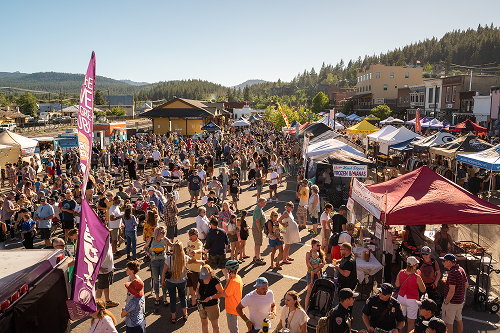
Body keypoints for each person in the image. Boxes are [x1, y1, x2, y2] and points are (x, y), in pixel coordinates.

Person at [395, 256, 426, 333]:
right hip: (412, 299)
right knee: (411, 322)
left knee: (400, 320)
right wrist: (420, 277)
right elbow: (423, 289)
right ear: (414, 266)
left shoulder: (401, 272)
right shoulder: (417, 277)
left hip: (401, 297)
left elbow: (397, 285)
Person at [162, 242, 191, 323]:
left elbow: (164, 272)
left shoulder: (169, 259)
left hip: (170, 281)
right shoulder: (185, 258)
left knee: (172, 299)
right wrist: (201, 261)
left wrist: (163, 281)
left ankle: (173, 317)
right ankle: (185, 314)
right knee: (182, 297)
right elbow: (193, 260)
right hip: (181, 281)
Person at [441, 254, 468, 333]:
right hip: (460, 301)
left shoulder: (452, 273)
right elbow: (466, 285)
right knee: (459, 320)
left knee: (448, 323)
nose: (442, 263)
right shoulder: (461, 269)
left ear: (449, 262)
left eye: (444, 261)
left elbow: (451, 291)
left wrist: (446, 302)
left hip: (451, 303)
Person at [196, 265, 224, 333]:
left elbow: (221, 293)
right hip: (201, 305)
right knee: (204, 323)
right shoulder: (200, 279)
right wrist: (197, 293)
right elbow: (197, 288)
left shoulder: (215, 280)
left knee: (214, 326)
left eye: (206, 276)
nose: (204, 279)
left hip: (212, 306)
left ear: (210, 273)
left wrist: (210, 298)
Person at [96, 242, 120, 308]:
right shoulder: (98, 242)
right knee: (100, 288)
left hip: (109, 268)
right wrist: (99, 268)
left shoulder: (107, 240)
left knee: (107, 285)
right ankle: (97, 305)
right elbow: (94, 257)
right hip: (103, 270)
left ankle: (108, 301)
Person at [222, 260, 243, 333]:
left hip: (231, 309)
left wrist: (227, 281)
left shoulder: (233, 282)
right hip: (235, 307)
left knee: (233, 330)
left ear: (229, 270)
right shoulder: (238, 278)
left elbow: (224, 294)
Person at [304, 239, 325, 310]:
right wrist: (315, 267)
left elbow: (323, 263)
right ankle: (306, 309)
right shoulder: (308, 253)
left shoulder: (320, 252)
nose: (319, 246)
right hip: (311, 274)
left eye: (319, 245)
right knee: (309, 293)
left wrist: (318, 268)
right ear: (313, 245)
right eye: (317, 245)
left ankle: (317, 308)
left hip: (318, 272)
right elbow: (307, 264)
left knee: (319, 292)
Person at [186, 228, 204, 308]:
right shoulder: (188, 242)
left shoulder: (199, 243)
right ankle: (193, 303)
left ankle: (200, 302)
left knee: (197, 287)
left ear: (196, 235)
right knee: (190, 286)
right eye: (189, 234)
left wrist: (196, 251)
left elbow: (200, 250)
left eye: (191, 235)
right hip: (188, 268)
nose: (189, 236)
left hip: (196, 269)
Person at [252, 198, 267, 265]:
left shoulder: (258, 208)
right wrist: (259, 229)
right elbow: (257, 220)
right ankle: (258, 259)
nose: (265, 204)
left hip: (256, 228)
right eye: (264, 202)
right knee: (258, 244)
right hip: (257, 228)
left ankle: (256, 256)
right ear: (261, 202)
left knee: (257, 243)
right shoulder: (258, 209)